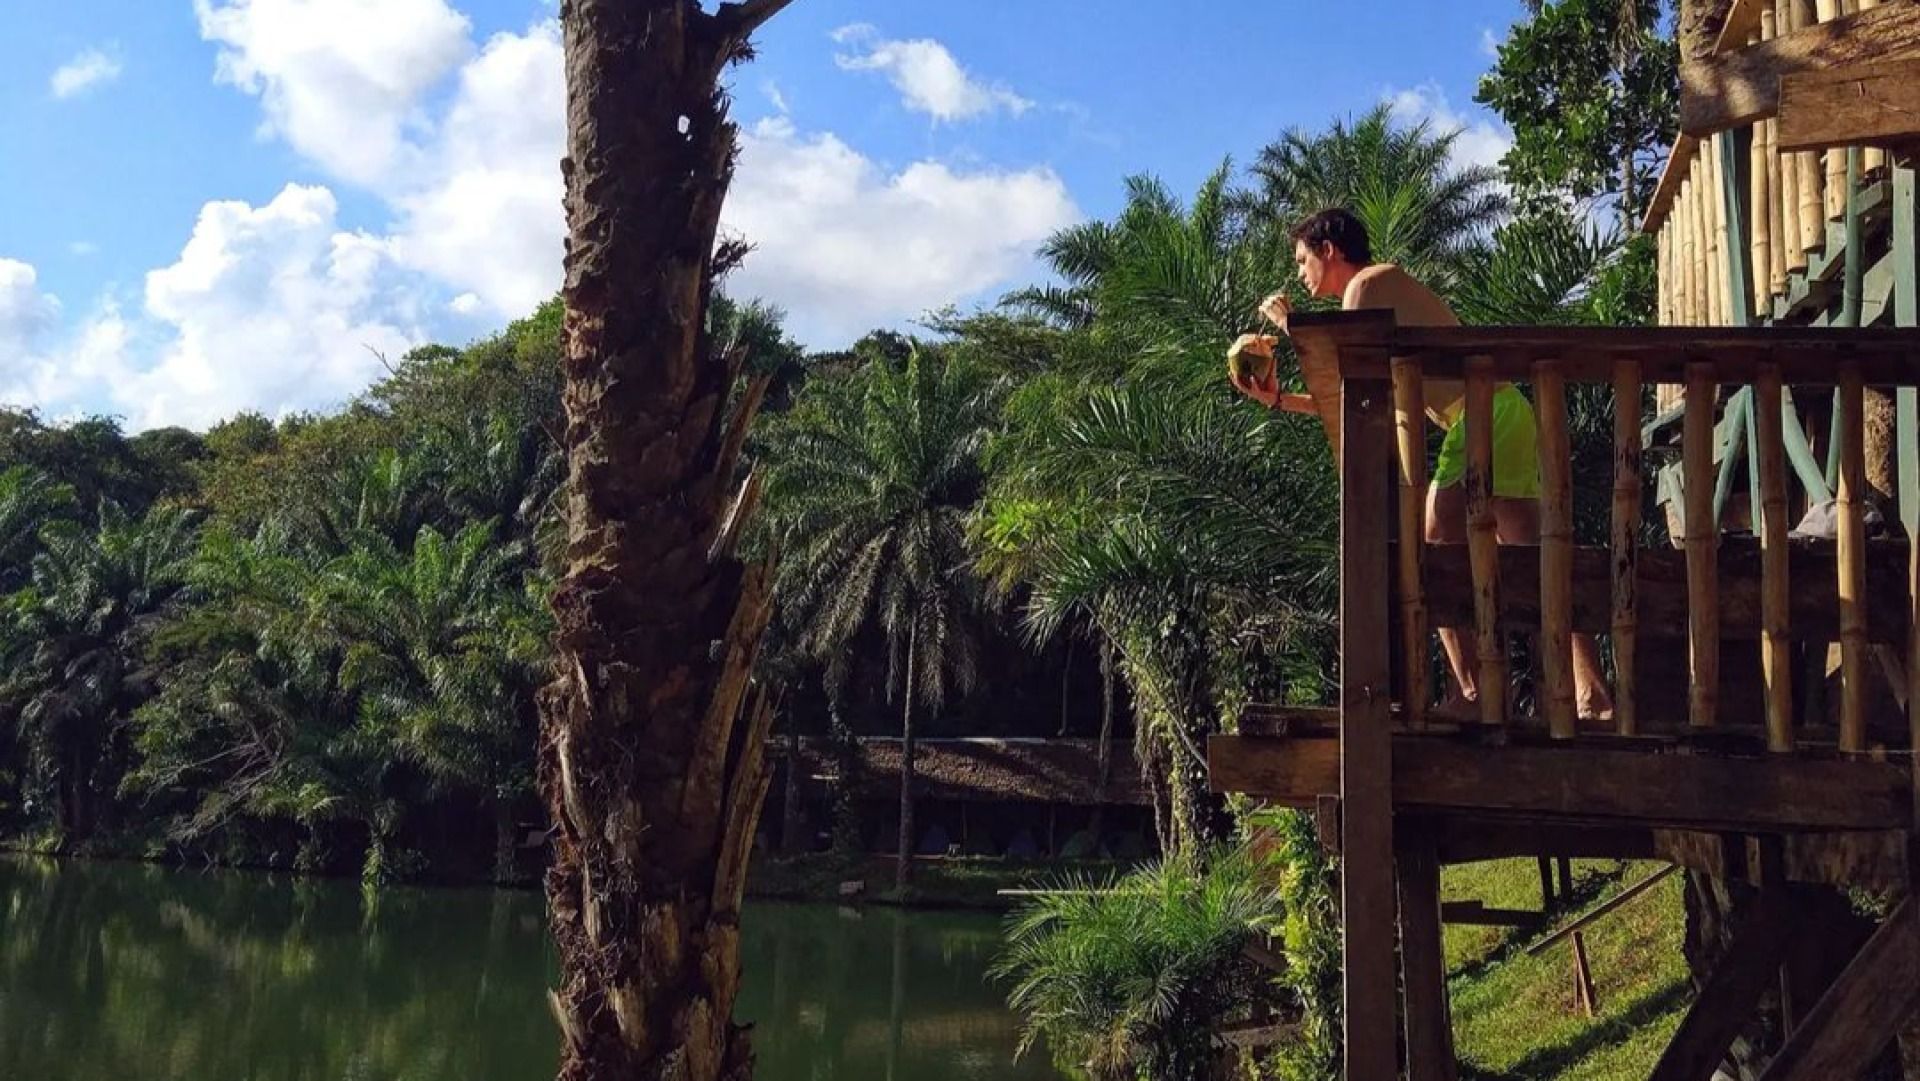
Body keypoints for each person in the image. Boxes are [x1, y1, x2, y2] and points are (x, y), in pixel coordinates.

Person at [1229, 207, 1613, 723]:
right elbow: (1353, 397)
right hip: (1505, 410)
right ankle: (1590, 691)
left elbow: (1343, 366)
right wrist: (1278, 401)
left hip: (1479, 415)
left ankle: (1473, 691)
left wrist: (1291, 325)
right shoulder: (1375, 288)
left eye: (1302, 259)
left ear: (1329, 250)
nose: (1299, 272)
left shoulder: (1366, 285)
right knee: (1536, 554)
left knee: (1430, 545)